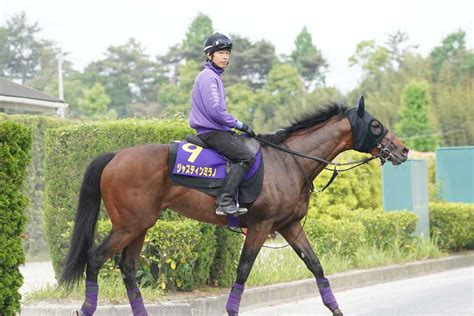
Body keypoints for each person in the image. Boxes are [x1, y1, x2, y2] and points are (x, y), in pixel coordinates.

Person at [189, 33, 256, 216]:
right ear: (210, 55)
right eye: (220, 53)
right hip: (212, 132)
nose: (225, 57)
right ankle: (224, 201)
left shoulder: (214, 76)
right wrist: (239, 124)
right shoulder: (208, 77)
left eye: (227, 53)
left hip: (217, 130)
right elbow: (215, 111)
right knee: (246, 157)